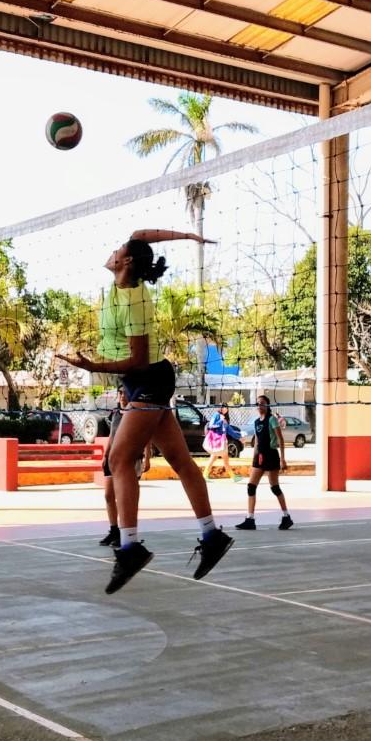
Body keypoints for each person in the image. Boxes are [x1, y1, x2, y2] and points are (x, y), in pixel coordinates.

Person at [58, 230, 234, 594]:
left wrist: (94, 368)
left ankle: (130, 547)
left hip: (148, 377)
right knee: (180, 460)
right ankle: (211, 535)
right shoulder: (121, 282)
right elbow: (140, 236)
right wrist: (187, 236)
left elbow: (138, 359)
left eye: (117, 250)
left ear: (126, 263)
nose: (112, 249)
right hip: (138, 382)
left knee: (119, 461)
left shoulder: (136, 300)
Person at [99, 387, 154, 548]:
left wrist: (147, 457)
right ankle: (114, 530)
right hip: (113, 458)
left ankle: (126, 533)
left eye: (125, 393)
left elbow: (147, 435)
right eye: (120, 393)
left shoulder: (136, 412)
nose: (122, 396)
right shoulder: (116, 412)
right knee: (109, 495)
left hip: (130, 459)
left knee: (125, 497)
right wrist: (105, 454)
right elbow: (112, 435)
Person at [237, 395, 292, 531]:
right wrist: (254, 459)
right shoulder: (256, 422)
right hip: (260, 457)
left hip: (271, 455)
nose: (259, 405)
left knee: (274, 487)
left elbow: (280, 439)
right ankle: (250, 519)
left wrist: (283, 459)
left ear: (267, 406)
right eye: (258, 403)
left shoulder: (272, 419)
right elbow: (256, 442)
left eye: (262, 403)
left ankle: (286, 517)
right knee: (251, 486)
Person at [202, 404, 241, 482]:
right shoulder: (217, 415)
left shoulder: (225, 418)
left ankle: (204, 476)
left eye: (226, 407)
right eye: (223, 407)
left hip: (221, 443)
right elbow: (211, 425)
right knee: (225, 460)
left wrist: (240, 436)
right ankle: (233, 477)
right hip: (218, 442)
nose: (225, 409)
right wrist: (220, 421)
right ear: (220, 408)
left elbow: (230, 431)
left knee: (214, 459)